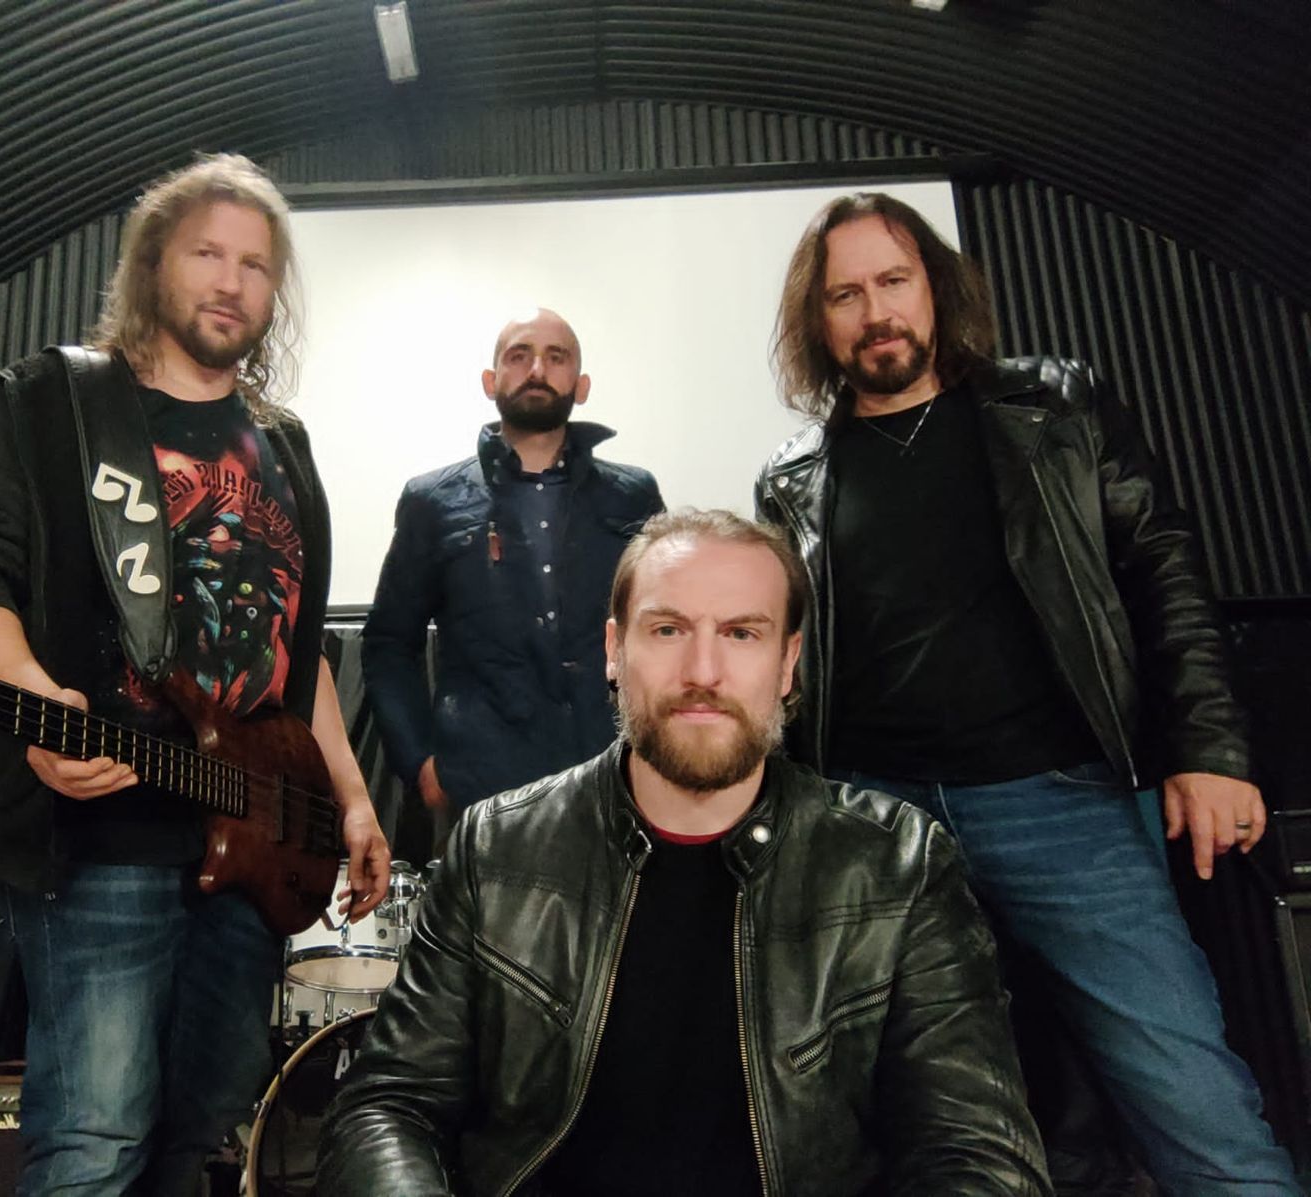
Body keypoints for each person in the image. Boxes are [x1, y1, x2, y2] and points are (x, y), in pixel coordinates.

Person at [756, 190, 1299, 1194]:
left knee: (1191, 1102)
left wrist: (1209, 749)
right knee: (908, 1117)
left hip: (1058, 804)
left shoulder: (1053, 407)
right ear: (816, 321)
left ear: (935, 287)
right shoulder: (791, 478)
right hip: (877, 823)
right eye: (845, 294)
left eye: (893, 280)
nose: (875, 312)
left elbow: (1162, 568)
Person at [320, 509, 1049, 1196]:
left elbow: (977, 1153)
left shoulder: (900, 865)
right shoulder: (496, 847)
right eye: (668, 629)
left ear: (788, 663)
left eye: (742, 633)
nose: (703, 671)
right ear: (614, 651)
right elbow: (389, 1104)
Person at [0, 153, 390, 1195]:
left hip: (254, 837)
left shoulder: (284, 446)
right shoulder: (50, 404)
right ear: (151, 265)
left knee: (205, 1131)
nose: (231, 282)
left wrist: (353, 798)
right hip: (106, 830)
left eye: (256, 266)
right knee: (97, 1139)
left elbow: (295, 650)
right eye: (207, 253)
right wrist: (28, 694)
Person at [362, 307, 663, 818]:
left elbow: (664, 627)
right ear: (490, 380)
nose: (537, 370)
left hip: (614, 777)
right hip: (482, 788)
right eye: (519, 356)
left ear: (581, 385)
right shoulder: (433, 501)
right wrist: (420, 765)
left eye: (556, 357)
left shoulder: (632, 495)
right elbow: (389, 644)